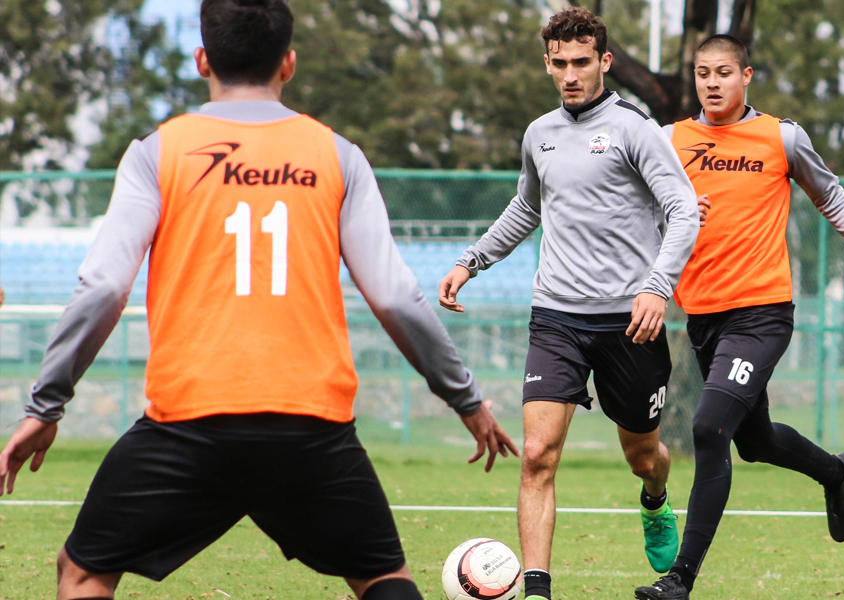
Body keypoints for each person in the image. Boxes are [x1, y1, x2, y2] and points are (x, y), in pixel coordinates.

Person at [0, 1, 518, 599]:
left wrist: (47, 405)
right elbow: (398, 298)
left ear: (202, 60)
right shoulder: (337, 155)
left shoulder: (158, 153)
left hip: (187, 425)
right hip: (311, 429)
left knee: (84, 570)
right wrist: (466, 399)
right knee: (383, 578)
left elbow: (104, 289)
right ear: (289, 64)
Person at [634, 35, 844, 600]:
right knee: (754, 441)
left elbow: (830, 196)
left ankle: (680, 578)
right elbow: (644, 214)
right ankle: (835, 473)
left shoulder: (780, 137)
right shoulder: (669, 141)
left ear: (746, 76)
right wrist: (677, 213)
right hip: (705, 317)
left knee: (709, 428)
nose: (711, 83)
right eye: (701, 73)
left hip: (762, 312)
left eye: (722, 72)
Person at [438, 8, 700, 600]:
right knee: (536, 455)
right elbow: (527, 207)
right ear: (548, 64)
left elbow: (683, 210)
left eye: (582, 62)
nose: (570, 75)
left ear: (605, 62)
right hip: (556, 316)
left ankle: (655, 500)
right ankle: (537, 590)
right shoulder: (539, 134)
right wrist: (471, 260)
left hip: (629, 322)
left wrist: (657, 287)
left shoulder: (637, 128)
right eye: (559, 64)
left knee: (642, 455)